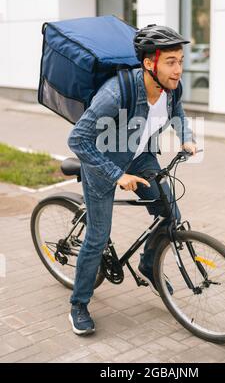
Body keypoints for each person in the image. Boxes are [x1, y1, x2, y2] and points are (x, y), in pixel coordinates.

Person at [67, 24, 197, 335]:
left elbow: (177, 111)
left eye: (180, 60)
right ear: (149, 63)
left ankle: (149, 265)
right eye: (170, 61)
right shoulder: (116, 93)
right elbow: (78, 140)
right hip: (104, 165)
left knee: (170, 214)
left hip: (140, 158)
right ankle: (79, 303)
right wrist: (116, 175)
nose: (178, 69)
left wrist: (186, 137)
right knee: (98, 237)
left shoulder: (170, 88)